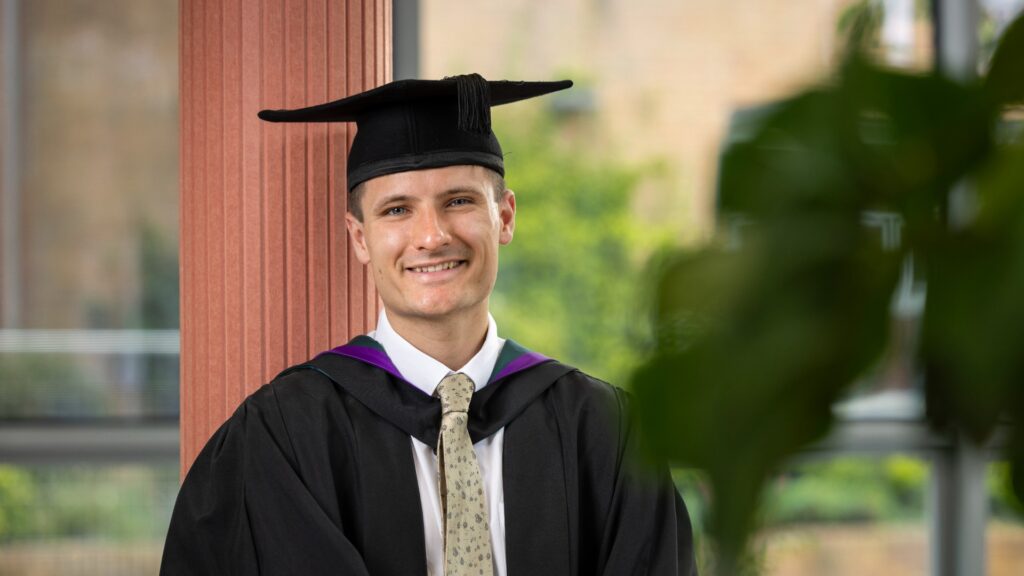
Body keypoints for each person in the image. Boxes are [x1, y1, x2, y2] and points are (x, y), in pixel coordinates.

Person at [160, 74, 698, 576]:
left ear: (505, 216)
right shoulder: (284, 435)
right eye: (397, 210)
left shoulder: (606, 433)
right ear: (360, 238)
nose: (432, 236)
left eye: (458, 201)